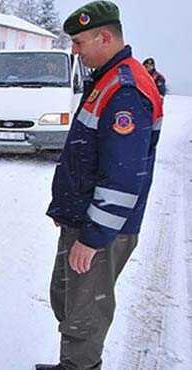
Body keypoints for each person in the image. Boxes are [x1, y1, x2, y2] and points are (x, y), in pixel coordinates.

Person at [37, 1, 164, 369]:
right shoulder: (108, 79)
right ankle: (73, 364)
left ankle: (80, 366)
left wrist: (93, 238)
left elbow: (123, 176)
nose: (74, 51)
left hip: (101, 230)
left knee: (84, 312)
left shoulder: (125, 89)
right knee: (69, 299)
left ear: (103, 36)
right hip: (85, 220)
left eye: (78, 42)